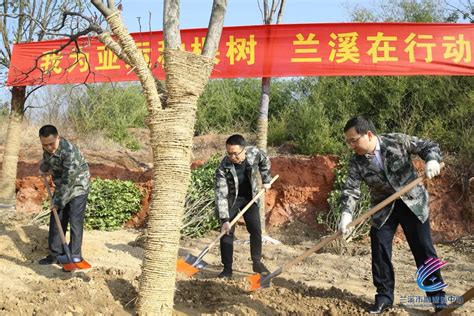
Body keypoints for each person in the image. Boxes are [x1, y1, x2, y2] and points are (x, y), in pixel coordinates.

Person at [338, 116, 446, 314]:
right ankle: (384, 298)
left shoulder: (396, 141)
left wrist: (432, 160)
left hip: (412, 202)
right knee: (379, 249)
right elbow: (351, 189)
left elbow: (428, 145)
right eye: (348, 141)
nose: (351, 145)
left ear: (369, 134)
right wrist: (346, 214)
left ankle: (439, 301)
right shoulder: (356, 161)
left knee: (424, 251)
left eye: (354, 140)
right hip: (383, 207)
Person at [215, 134, 272, 278]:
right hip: (231, 200)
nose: (232, 156)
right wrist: (225, 219)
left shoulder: (254, 153)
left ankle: (257, 262)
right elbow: (221, 194)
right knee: (226, 232)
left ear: (243, 150)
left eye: (235, 153)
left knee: (255, 230)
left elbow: (265, 162)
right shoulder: (223, 167)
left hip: (250, 198)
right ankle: (227, 268)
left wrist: (266, 179)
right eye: (229, 153)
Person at [38, 125, 90, 265]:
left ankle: (74, 256)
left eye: (51, 144)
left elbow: (68, 180)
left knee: (75, 220)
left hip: (78, 186)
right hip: (62, 186)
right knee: (57, 219)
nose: (49, 147)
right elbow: (47, 161)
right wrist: (43, 167)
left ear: (58, 138)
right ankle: (55, 254)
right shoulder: (46, 148)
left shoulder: (69, 152)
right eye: (45, 144)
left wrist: (59, 201)